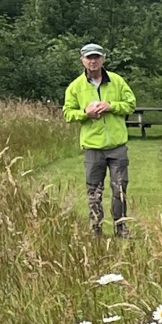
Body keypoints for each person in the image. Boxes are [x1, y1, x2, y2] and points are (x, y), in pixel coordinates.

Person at [62, 43, 136, 237]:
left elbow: (130, 104)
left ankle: (121, 228)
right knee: (94, 190)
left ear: (103, 59)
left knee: (119, 188)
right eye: (88, 58)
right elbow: (68, 113)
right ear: (82, 60)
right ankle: (96, 228)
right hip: (93, 147)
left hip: (117, 146)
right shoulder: (75, 87)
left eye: (96, 57)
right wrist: (85, 113)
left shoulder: (117, 81)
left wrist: (111, 106)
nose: (92, 61)